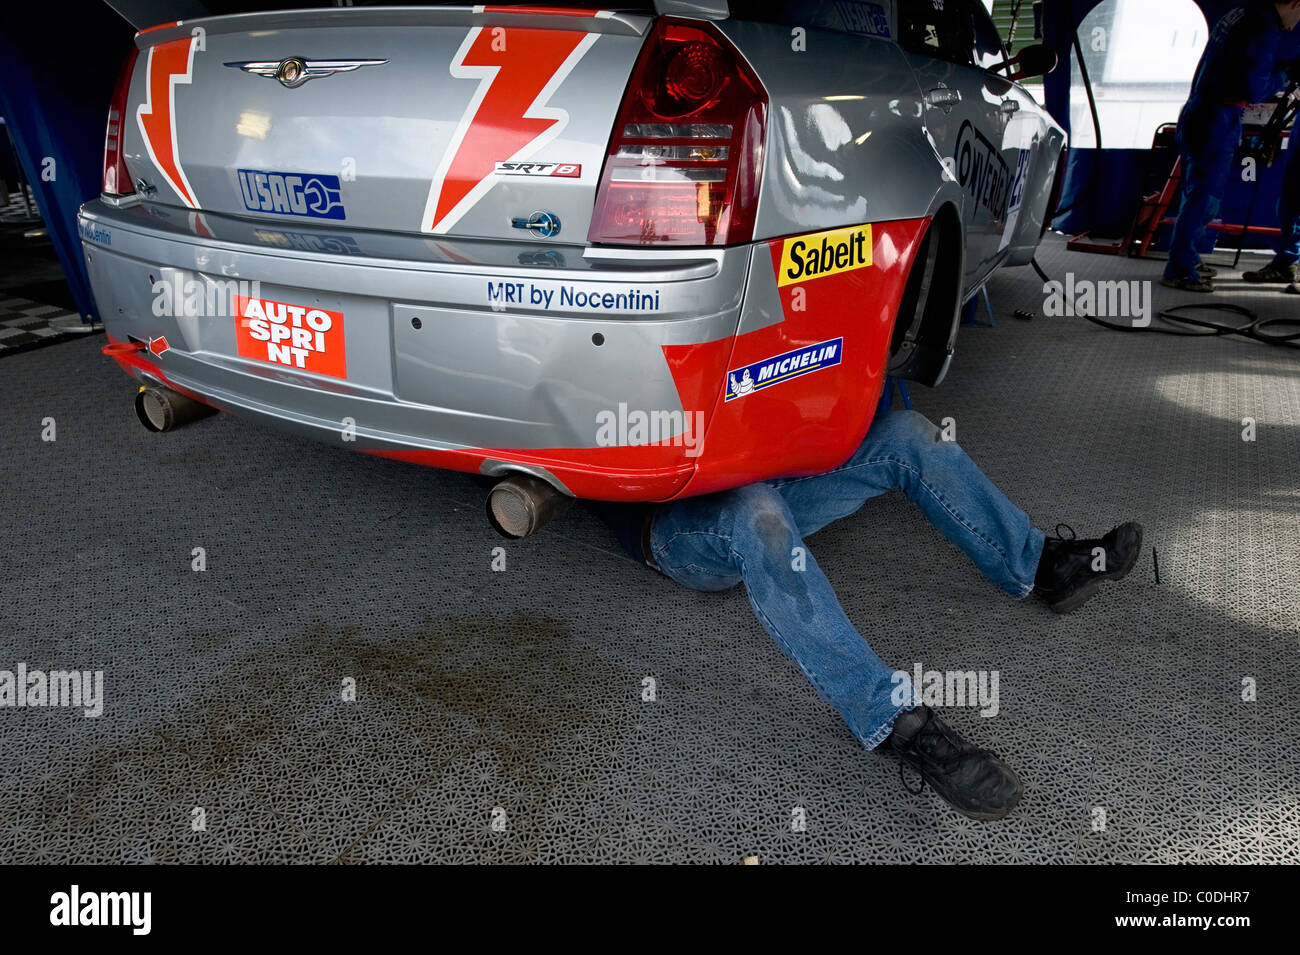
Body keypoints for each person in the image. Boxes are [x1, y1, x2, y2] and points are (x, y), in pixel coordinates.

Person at [586, 410, 1143, 821]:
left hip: (768, 467)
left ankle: (1040, 563)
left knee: (907, 433)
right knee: (759, 517)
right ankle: (891, 719)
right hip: (676, 520)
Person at [1161, 1, 1300, 293]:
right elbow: (1254, 88)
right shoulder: (1265, 29)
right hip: (1218, 119)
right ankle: (1180, 268)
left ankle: (1186, 258)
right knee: (1204, 200)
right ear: (1295, 3)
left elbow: (1232, 64)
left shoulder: (1242, 13)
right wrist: (1286, 75)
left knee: (1196, 194)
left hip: (1201, 110)